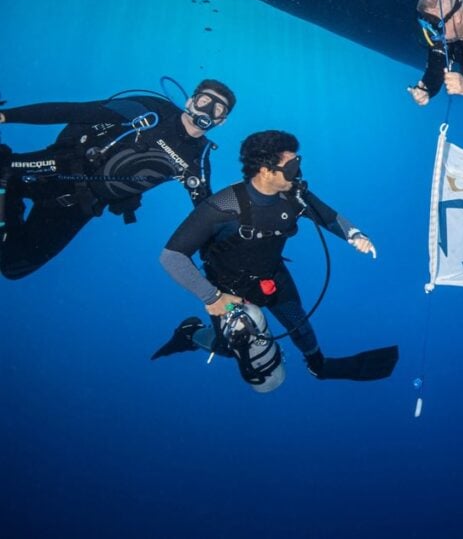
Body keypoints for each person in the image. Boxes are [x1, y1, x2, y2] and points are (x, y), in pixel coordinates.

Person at [152, 130, 398, 389]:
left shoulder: (294, 195)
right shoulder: (223, 205)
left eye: (298, 163)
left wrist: (354, 234)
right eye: (291, 167)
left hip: (273, 276)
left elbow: (327, 216)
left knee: (299, 325)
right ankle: (190, 334)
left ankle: (318, 366)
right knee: (234, 349)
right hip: (228, 290)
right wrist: (212, 297)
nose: (298, 172)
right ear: (265, 171)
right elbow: (171, 257)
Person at [0, 80, 235, 279]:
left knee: (15, 267)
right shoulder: (149, 111)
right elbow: (75, 111)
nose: (207, 110)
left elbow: (205, 211)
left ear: (222, 121)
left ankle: (8, 206)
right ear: (190, 101)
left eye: (218, 109)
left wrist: (220, 254)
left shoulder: (197, 159)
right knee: (3, 170)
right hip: (54, 169)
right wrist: (5, 116)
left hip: (78, 205)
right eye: (205, 100)